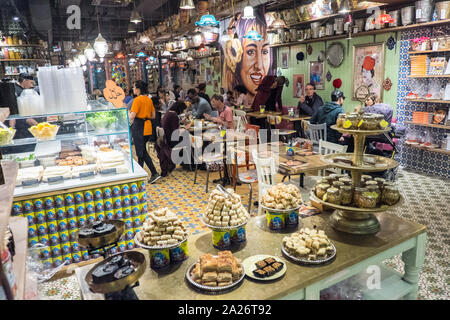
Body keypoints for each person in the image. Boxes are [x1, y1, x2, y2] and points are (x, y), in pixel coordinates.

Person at [222, 10, 275, 105]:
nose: (259, 65)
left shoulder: (265, 96)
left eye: (264, 52)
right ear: (237, 59)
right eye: (251, 52)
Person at [129, 80, 161, 184]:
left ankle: (154, 173)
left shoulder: (137, 100)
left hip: (139, 127)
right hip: (148, 127)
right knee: (141, 151)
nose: (133, 89)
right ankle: (139, 174)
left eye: (134, 87)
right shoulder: (148, 99)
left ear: (138, 89)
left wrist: (127, 116)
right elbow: (153, 116)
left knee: (141, 152)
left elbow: (132, 116)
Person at [157, 101, 187, 177]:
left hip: (166, 138)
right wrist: (186, 128)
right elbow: (175, 132)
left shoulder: (168, 113)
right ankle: (187, 164)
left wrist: (180, 122)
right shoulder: (173, 115)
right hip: (170, 140)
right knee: (188, 140)